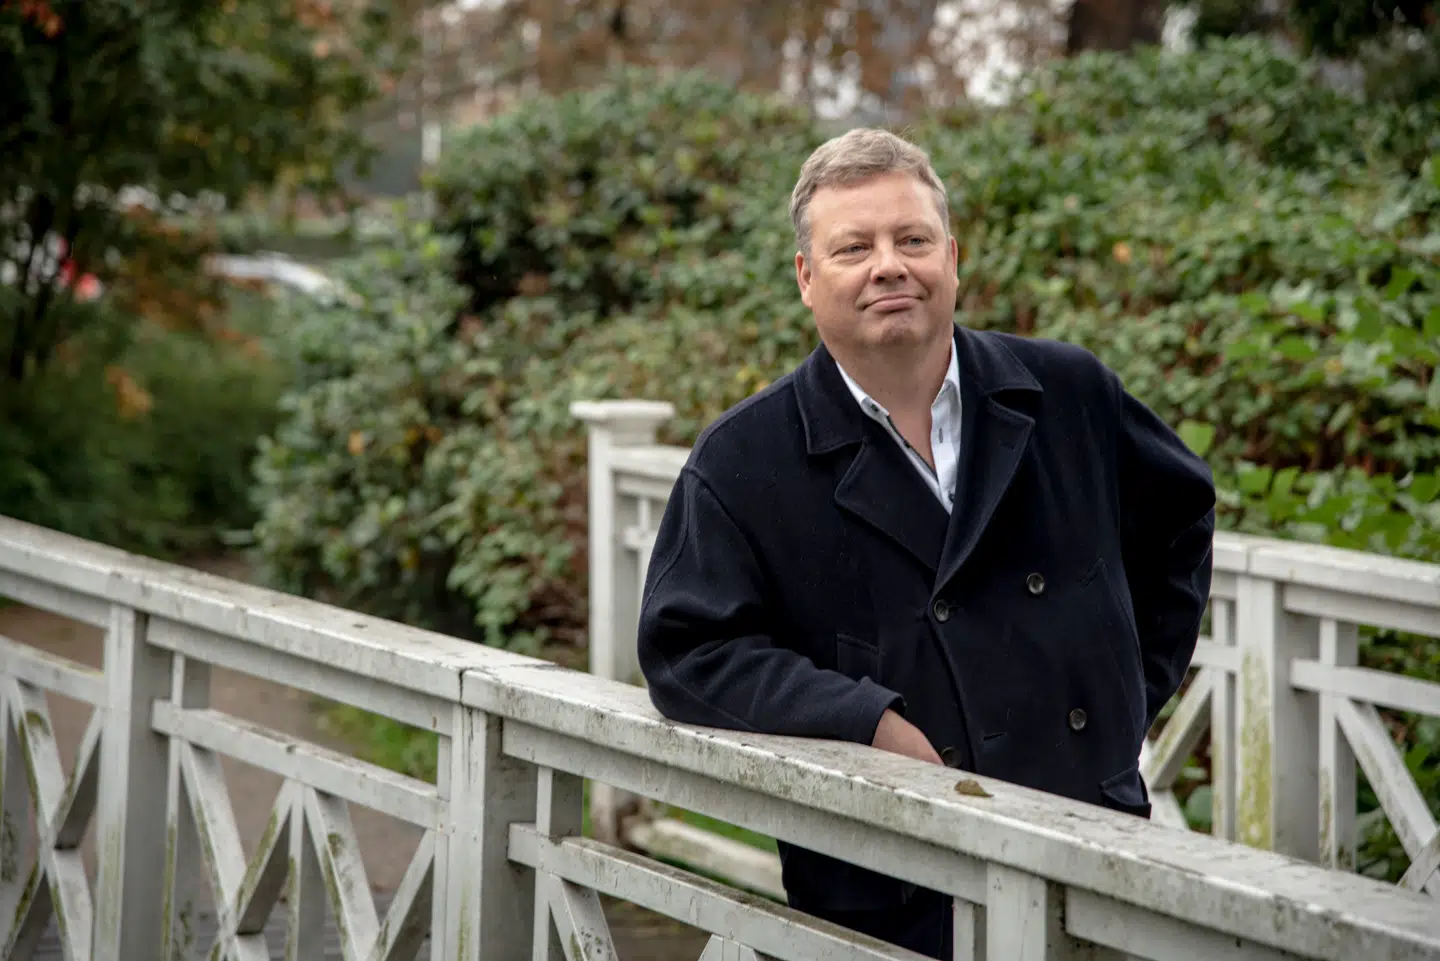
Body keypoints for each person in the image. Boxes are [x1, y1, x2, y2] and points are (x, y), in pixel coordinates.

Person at [635, 128, 1216, 959]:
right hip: (888, 895)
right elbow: (688, 650)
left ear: (952, 257)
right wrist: (862, 718)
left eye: (912, 239)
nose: (888, 266)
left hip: (1091, 855)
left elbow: (1179, 521)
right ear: (806, 278)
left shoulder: (1070, 391)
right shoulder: (742, 458)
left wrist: (1118, 695)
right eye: (853, 248)